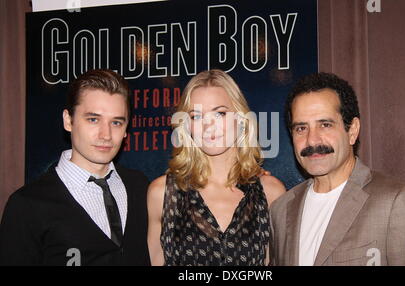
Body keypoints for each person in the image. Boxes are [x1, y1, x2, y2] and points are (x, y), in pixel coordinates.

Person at [269, 72, 405, 266]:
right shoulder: (281, 210)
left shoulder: (396, 203)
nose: (312, 140)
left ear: (352, 130)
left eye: (325, 125)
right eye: (301, 128)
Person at [0, 69, 150, 266]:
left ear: (126, 129)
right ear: (68, 120)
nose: (105, 134)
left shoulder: (139, 186)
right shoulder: (27, 204)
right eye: (93, 119)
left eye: (116, 122)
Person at [147, 69, 285, 266]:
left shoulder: (271, 192)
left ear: (241, 119)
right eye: (196, 116)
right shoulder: (162, 193)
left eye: (220, 113)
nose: (208, 126)